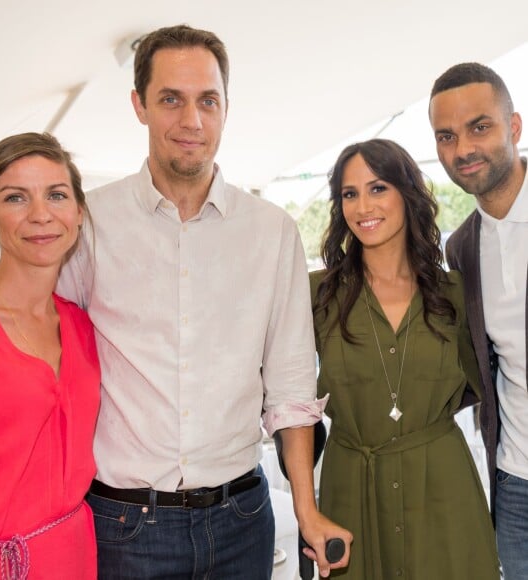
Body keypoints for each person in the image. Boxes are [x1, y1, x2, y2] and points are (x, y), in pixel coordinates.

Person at [57, 23, 351, 580]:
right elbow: (53, 363)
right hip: (122, 525)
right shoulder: (89, 222)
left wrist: (306, 512)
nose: (192, 121)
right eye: (171, 99)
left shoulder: (272, 230)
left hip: (243, 521)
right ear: (139, 105)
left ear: (225, 108)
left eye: (207, 101)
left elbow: (291, 385)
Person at [310, 138, 500, 579]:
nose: (362, 206)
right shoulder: (316, 295)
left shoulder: (455, 291)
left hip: (443, 493)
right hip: (351, 492)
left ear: (407, 193)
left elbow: (482, 381)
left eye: (378, 189)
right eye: (349, 194)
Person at [0, 132, 100, 579]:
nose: (40, 215)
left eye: (56, 195)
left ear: (77, 212)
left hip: (75, 555)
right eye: (15, 198)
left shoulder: (82, 324)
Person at [429, 62, 528, 578]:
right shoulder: (461, 247)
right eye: (446, 136)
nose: (463, 148)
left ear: (513, 127)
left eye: (479, 127)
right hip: (515, 487)